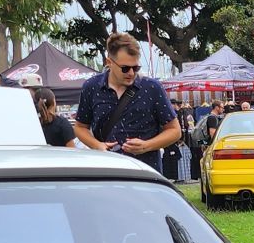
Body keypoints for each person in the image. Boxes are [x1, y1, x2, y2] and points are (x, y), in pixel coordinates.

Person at [71, 32, 180, 161]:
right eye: (125, 68)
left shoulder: (152, 88)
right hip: (106, 167)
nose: (131, 73)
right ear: (109, 62)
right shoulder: (91, 87)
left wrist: (147, 145)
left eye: (136, 68)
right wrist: (97, 145)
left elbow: (175, 131)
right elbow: (80, 127)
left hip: (145, 169)